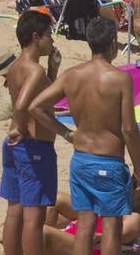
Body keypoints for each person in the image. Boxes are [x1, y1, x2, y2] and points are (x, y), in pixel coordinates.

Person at [20, 16, 140, 255]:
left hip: (81, 160)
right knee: (111, 224)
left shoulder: (72, 75)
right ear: (113, 43)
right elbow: (129, 129)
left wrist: (66, 133)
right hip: (109, 162)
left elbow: (35, 106)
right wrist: (138, 167)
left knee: (85, 222)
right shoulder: (119, 79)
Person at [3, 9, 61, 255]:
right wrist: (19, 125)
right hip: (34, 146)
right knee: (34, 217)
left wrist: (53, 71)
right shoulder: (34, 70)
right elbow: (22, 104)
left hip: (15, 147)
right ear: (36, 37)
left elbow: (36, 95)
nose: (52, 40)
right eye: (49, 35)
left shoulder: (18, 66)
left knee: (14, 209)